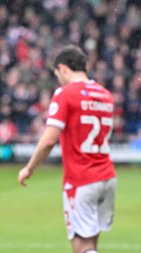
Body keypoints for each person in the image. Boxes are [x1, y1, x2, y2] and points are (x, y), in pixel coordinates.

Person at [18, 45, 116, 253]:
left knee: (82, 248)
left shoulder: (65, 94)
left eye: (57, 75)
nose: (58, 80)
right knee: (91, 245)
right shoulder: (105, 94)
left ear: (63, 68)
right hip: (107, 176)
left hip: (81, 179)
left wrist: (29, 168)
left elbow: (48, 139)